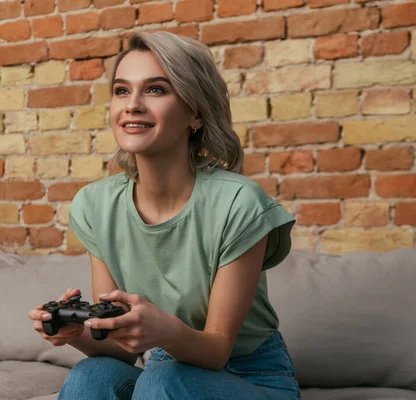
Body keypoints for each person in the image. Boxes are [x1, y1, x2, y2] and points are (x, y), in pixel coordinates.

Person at [28, 31, 301, 399]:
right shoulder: (95, 206)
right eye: (122, 90)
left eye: (156, 89)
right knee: (92, 374)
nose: (133, 105)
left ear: (196, 113)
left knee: (162, 381)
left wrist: (164, 333)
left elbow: (217, 349)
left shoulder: (239, 203)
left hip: (251, 377)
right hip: (162, 371)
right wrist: (76, 333)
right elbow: (123, 349)